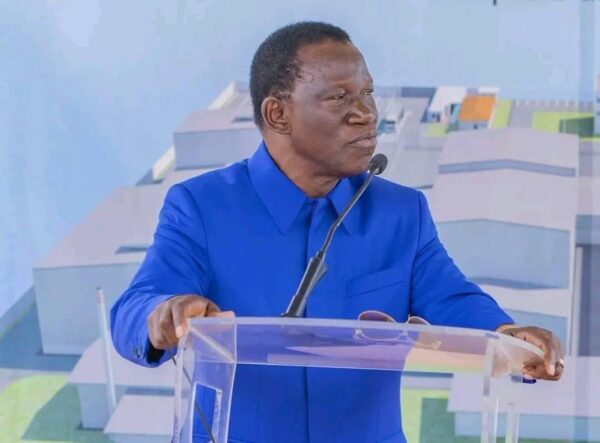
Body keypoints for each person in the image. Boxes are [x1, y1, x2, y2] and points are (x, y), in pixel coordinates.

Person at [111, 21, 564, 443]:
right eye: (339, 97)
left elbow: (451, 298)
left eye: (367, 93)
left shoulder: (402, 213)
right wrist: (163, 315)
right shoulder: (201, 206)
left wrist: (508, 333)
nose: (365, 113)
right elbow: (137, 305)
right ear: (278, 113)